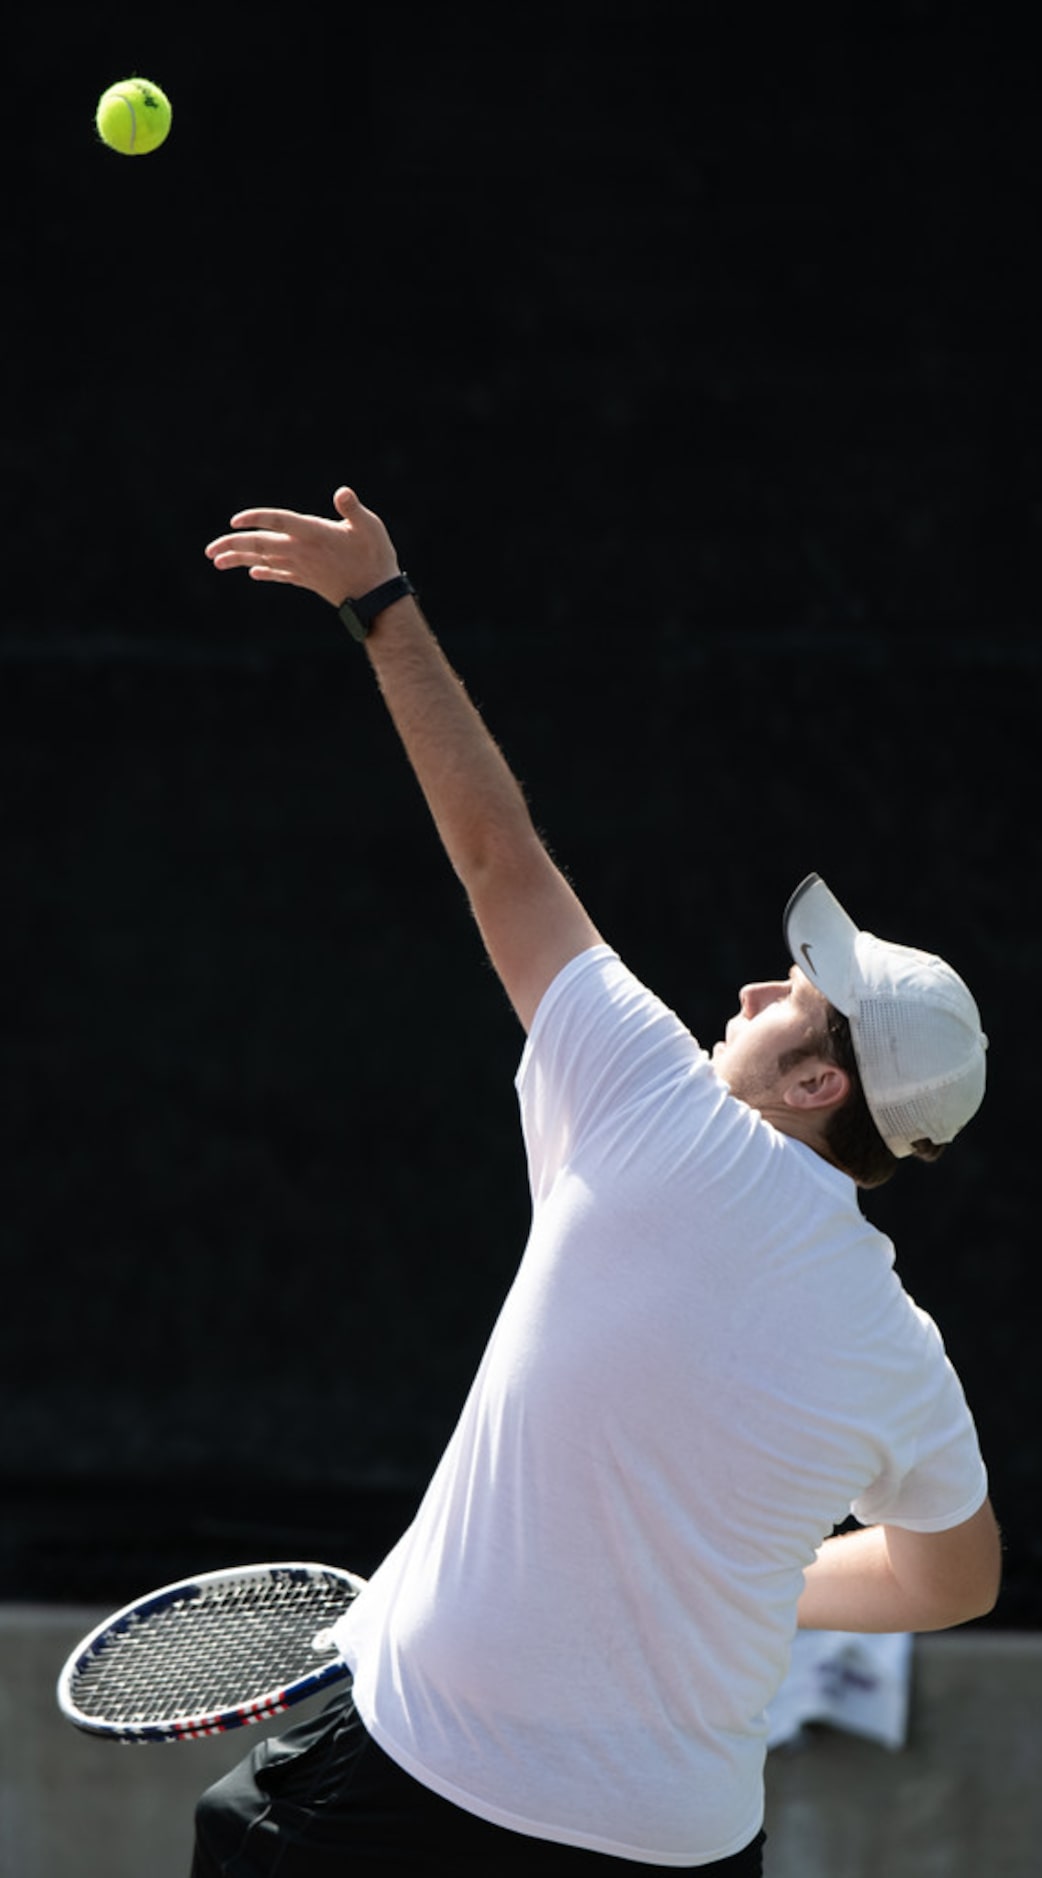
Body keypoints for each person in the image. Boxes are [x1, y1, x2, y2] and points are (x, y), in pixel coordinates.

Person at [192, 486, 1001, 1874]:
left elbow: (497, 855)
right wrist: (751, 1587)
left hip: (409, 1793)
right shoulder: (901, 1355)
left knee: (237, 1830)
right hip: (680, 1846)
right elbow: (955, 1578)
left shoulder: (657, 1107)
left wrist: (382, 608)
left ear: (820, 1084)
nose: (752, 985)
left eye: (792, 996)